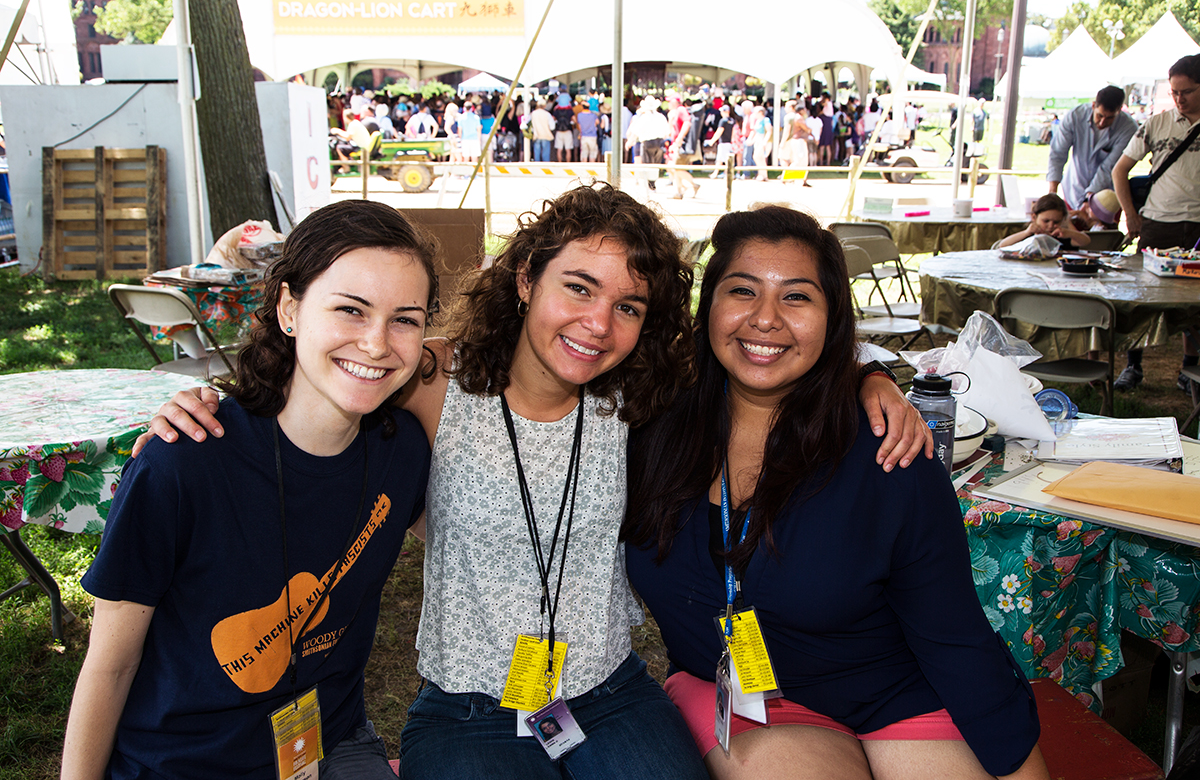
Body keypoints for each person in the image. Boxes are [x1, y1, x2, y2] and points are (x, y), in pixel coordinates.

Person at [135, 185, 931, 780]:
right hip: (466, 703)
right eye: (577, 288)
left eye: (628, 306)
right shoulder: (436, 378)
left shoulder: (642, 395)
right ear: (524, 278)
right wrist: (211, 403)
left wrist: (873, 377)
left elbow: (765, 345)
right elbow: (335, 362)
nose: (596, 324)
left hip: (608, 690)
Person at [623, 205, 1048, 780]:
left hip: (892, 688)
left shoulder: (887, 451)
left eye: (796, 297)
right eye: (742, 291)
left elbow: (953, 632)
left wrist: (1017, 764)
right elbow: (551, 363)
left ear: (831, 319)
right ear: (708, 307)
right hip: (744, 697)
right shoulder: (643, 424)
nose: (765, 319)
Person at [61, 200, 439, 780]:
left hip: (329, 741)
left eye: (405, 319)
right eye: (350, 310)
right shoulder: (183, 464)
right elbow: (110, 665)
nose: (376, 343)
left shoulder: (404, 451)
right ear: (289, 308)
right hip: (187, 762)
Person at [1112, 54, 1200, 393]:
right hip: (1157, 223)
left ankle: (1189, 368)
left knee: (1194, 303)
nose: (1179, 99)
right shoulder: (1156, 123)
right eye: (1175, 91)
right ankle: (1133, 366)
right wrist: (1131, 214)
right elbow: (1119, 170)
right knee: (1141, 298)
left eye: (1187, 92)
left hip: (1196, 227)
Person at [1046, 86, 1137, 209]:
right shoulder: (1075, 116)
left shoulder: (1129, 128)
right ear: (1093, 105)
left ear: (1119, 111)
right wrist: (1052, 192)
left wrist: (1089, 199)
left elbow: (1109, 167)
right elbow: (1058, 153)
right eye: (1099, 115)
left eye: (1110, 118)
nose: (1102, 122)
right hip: (1073, 189)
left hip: (1107, 198)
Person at [993, 193, 1090, 249]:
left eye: (1056, 222)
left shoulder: (1062, 237)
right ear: (1034, 217)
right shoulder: (1030, 235)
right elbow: (1002, 245)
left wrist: (1069, 232)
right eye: (1046, 221)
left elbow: (1086, 241)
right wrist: (1026, 232)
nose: (1051, 225)